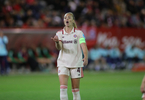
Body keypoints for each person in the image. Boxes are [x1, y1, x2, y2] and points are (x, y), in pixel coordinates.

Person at [51, 12, 88, 100]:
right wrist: (56, 42)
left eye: (69, 17)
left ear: (73, 20)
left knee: (75, 91)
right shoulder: (59, 33)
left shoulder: (79, 33)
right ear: (64, 21)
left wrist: (85, 57)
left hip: (76, 63)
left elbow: (83, 45)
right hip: (63, 62)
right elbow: (59, 47)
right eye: (65, 18)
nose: (67, 19)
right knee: (63, 89)